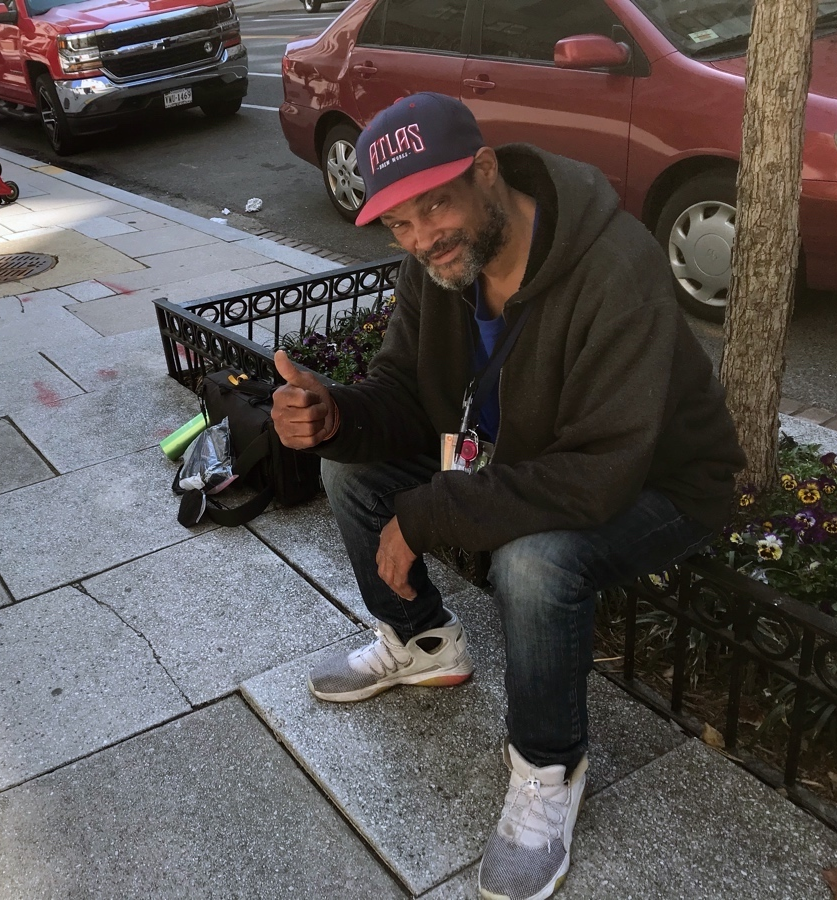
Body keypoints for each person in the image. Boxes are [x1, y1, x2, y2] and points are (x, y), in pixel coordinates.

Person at [271, 92, 745, 900]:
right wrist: (336, 416)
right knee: (349, 471)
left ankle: (549, 767)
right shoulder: (439, 267)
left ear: (485, 171)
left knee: (532, 563)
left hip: (658, 482)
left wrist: (429, 512)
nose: (422, 237)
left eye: (435, 205)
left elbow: (599, 472)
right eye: (400, 223)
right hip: (520, 458)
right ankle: (421, 643)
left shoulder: (614, 267)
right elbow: (405, 392)